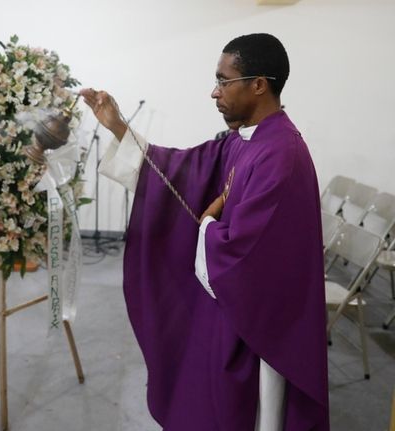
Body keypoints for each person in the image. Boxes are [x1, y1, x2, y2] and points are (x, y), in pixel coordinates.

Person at [81, 33, 328, 430]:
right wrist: (118, 128)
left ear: (258, 84)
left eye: (223, 81)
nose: (214, 93)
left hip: (260, 325)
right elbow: (181, 171)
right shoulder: (246, 140)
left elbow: (245, 255)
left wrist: (209, 223)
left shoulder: (279, 155)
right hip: (234, 307)